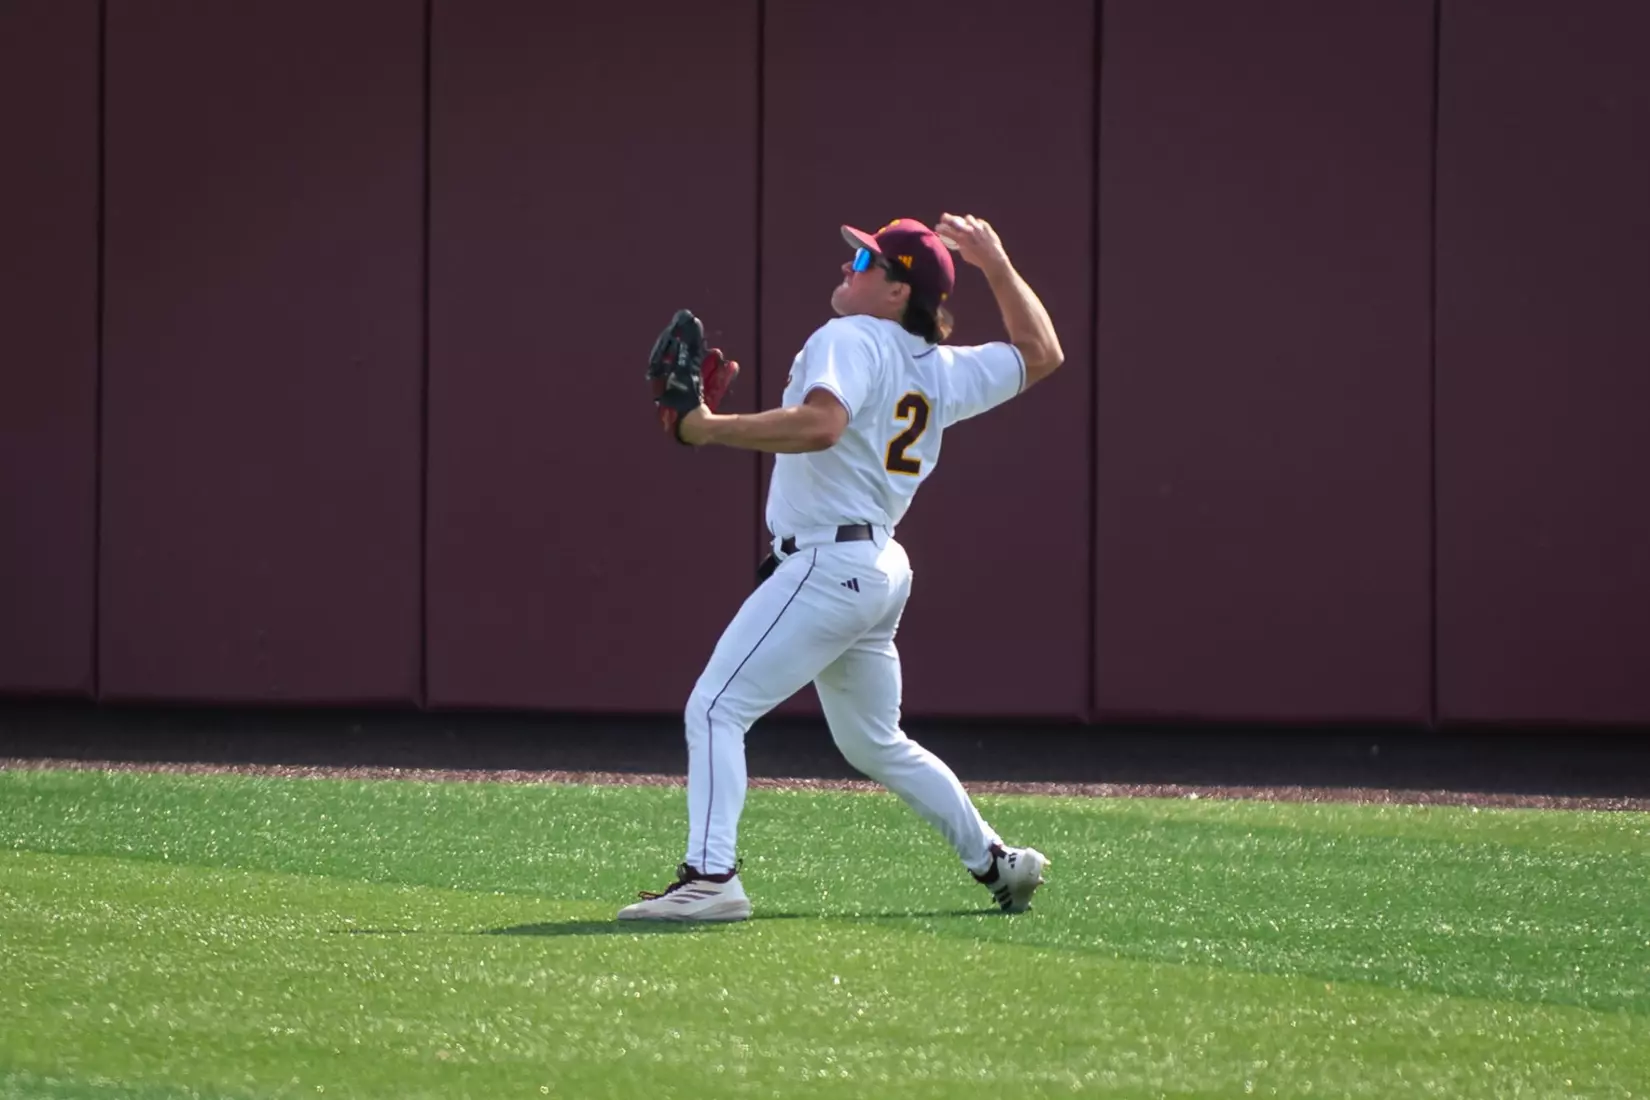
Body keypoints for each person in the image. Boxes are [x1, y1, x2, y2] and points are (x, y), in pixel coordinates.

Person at [618, 213, 1066, 922]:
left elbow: (822, 424)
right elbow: (1041, 352)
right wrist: (997, 262)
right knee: (874, 741)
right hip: (877, 564)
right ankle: (996, 862)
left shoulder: (850, 337)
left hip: (828, 563)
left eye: (865, 264)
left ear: (896, 293)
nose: (847, 269)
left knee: (716, 706)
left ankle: (711, 877)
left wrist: (705, 428)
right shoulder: (941, 368)